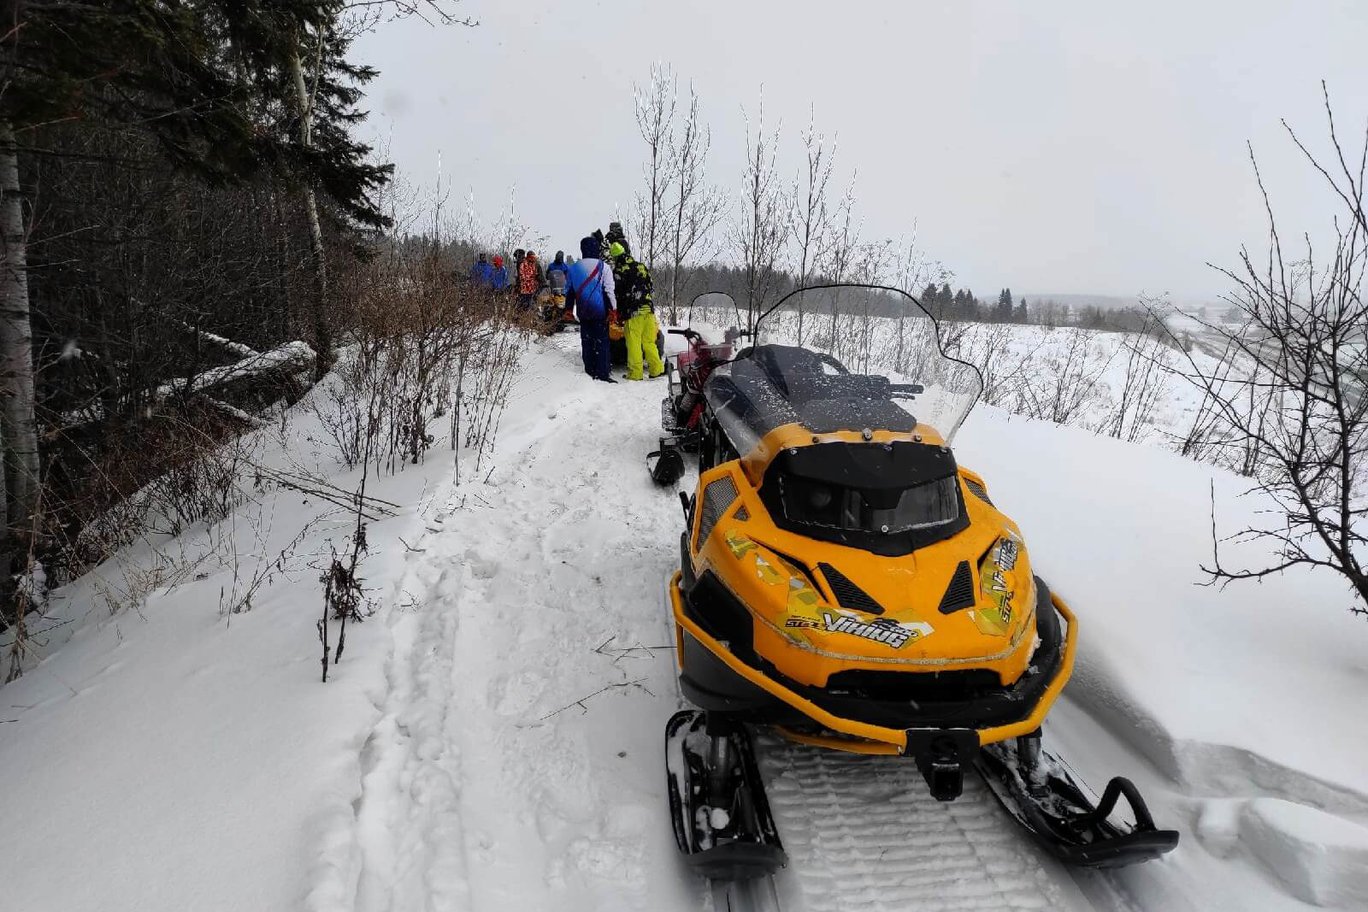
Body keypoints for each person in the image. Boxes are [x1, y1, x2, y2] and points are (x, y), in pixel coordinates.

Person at [608, 241, 664, 380]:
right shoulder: (641, 267)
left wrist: (619, 312)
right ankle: (656, 369)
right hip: (648, 311)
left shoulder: (619, 271)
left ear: (615, 257)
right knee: (649, 342)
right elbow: (651, 287)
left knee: (633, 343)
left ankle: (635, 373)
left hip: (633, 313)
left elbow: (617, 294)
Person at [566, 236, 616, 382]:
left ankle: (589, 371)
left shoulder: (574, 268)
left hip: (583, 312)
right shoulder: (603, 267)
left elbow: (569, 291)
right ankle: (602, 373)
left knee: (586, 341)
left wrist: (568, 309)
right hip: (601, 312)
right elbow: (609, 291)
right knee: (602, 342)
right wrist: (613, 310)